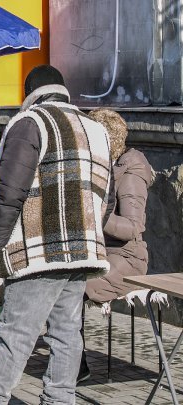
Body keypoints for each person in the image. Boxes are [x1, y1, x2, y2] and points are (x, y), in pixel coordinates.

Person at [0, 65, 113, 405]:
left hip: (37, 254)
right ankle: (60, 400)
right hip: (82, 252)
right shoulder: (96, 129)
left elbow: (8, 192)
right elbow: (103, 197)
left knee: (16, 334)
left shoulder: (30, 124)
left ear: (29, 93)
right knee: (68, 336)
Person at [78, 109, 153, 381]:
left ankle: (76, 366)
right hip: (97, 252)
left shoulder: (130, 170)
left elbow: (132, 227)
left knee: (73, 290)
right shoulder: (98, 166)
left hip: (126, 259)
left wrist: (94, 213)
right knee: (60, 283)